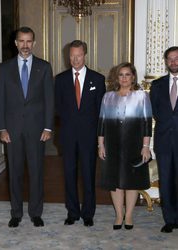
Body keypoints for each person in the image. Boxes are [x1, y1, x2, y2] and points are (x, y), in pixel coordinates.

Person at [0, 26, 54, 228]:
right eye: (21, 41)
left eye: (29, 41)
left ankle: (36, 212)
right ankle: (16, 213)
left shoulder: (44, 67)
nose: (25, 45)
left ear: (34, 43)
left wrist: (48, 127)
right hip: (11, 130)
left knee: (37, 171)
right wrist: (1, 128)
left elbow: (49, 100)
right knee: (15, 172)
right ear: (16, 43)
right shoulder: (3, 69)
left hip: (37, 129)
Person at [55, 40, 106, 227]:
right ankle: (72, 212)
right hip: (67, 136)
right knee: (69, 174)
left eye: (79, 55)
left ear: (85, 55)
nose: (75, 59)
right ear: (68, 57)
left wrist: (100, 138)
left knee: (88, 175)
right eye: (72, 56)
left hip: (89, 136)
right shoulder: (59, 80)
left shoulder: (98, 79)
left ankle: (88, 213)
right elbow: (57, 108)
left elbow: (101, 111)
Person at [98, 62, 152, 230]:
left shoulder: (142, 96)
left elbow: (146, 123)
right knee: (115, 180)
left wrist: (145, 146)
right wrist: (101, 145)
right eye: (121, 75)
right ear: (117, 77)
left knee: (131, 181)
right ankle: (119, 215)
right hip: (112, 144)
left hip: (134, 145)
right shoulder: (108, 97)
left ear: (133, 77)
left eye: (127, 74)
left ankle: (128, 215)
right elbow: (102, 122)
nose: (124, 78)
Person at [150, 46, 178, 233]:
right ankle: (169, 219)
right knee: (166, 180)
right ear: (165, 61)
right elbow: (154, 110)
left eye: (176, 58)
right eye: (170, 59)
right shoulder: (157, 85)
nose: (173, 62)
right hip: (164, 140)